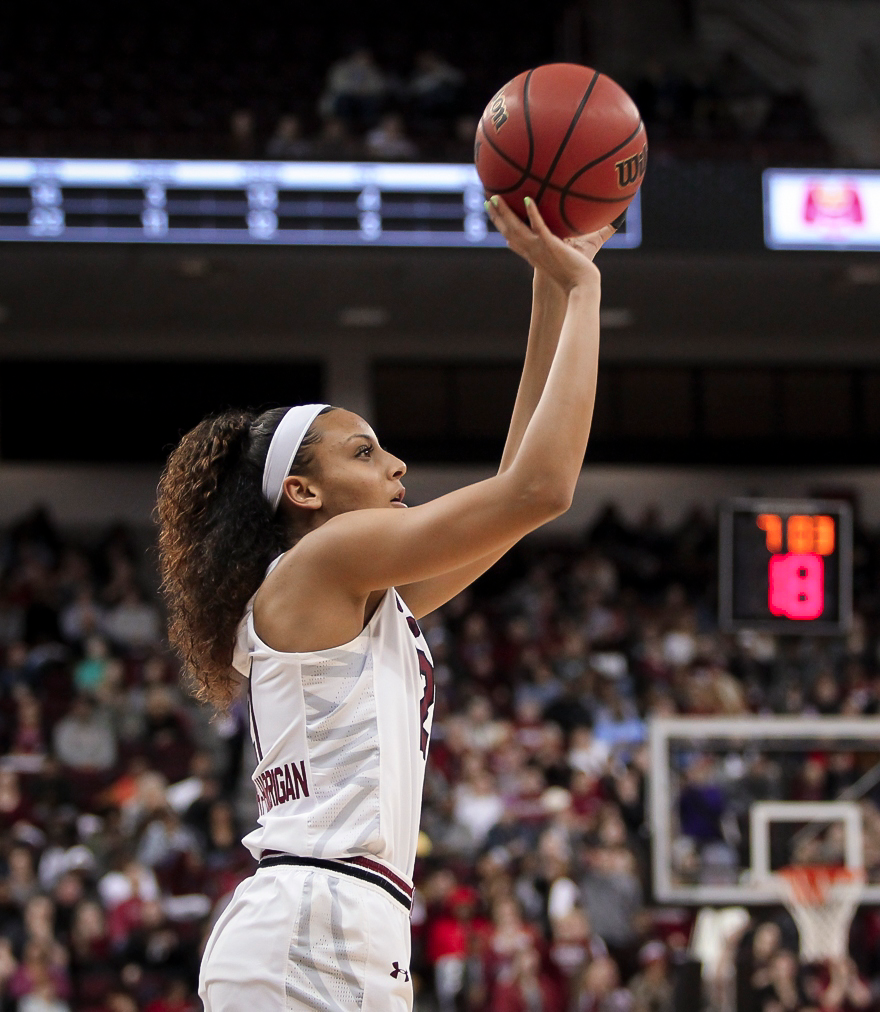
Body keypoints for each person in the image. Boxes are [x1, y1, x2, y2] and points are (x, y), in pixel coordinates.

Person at [155, 194, 614, 1011]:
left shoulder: (349, 590)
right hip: (317, 919)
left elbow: (513, 490)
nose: (397, 465)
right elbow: (542, 488)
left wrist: (549, 285)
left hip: (330, 921)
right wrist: (584, 295)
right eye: (365, 452)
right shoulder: (325, 557)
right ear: (303, 490)